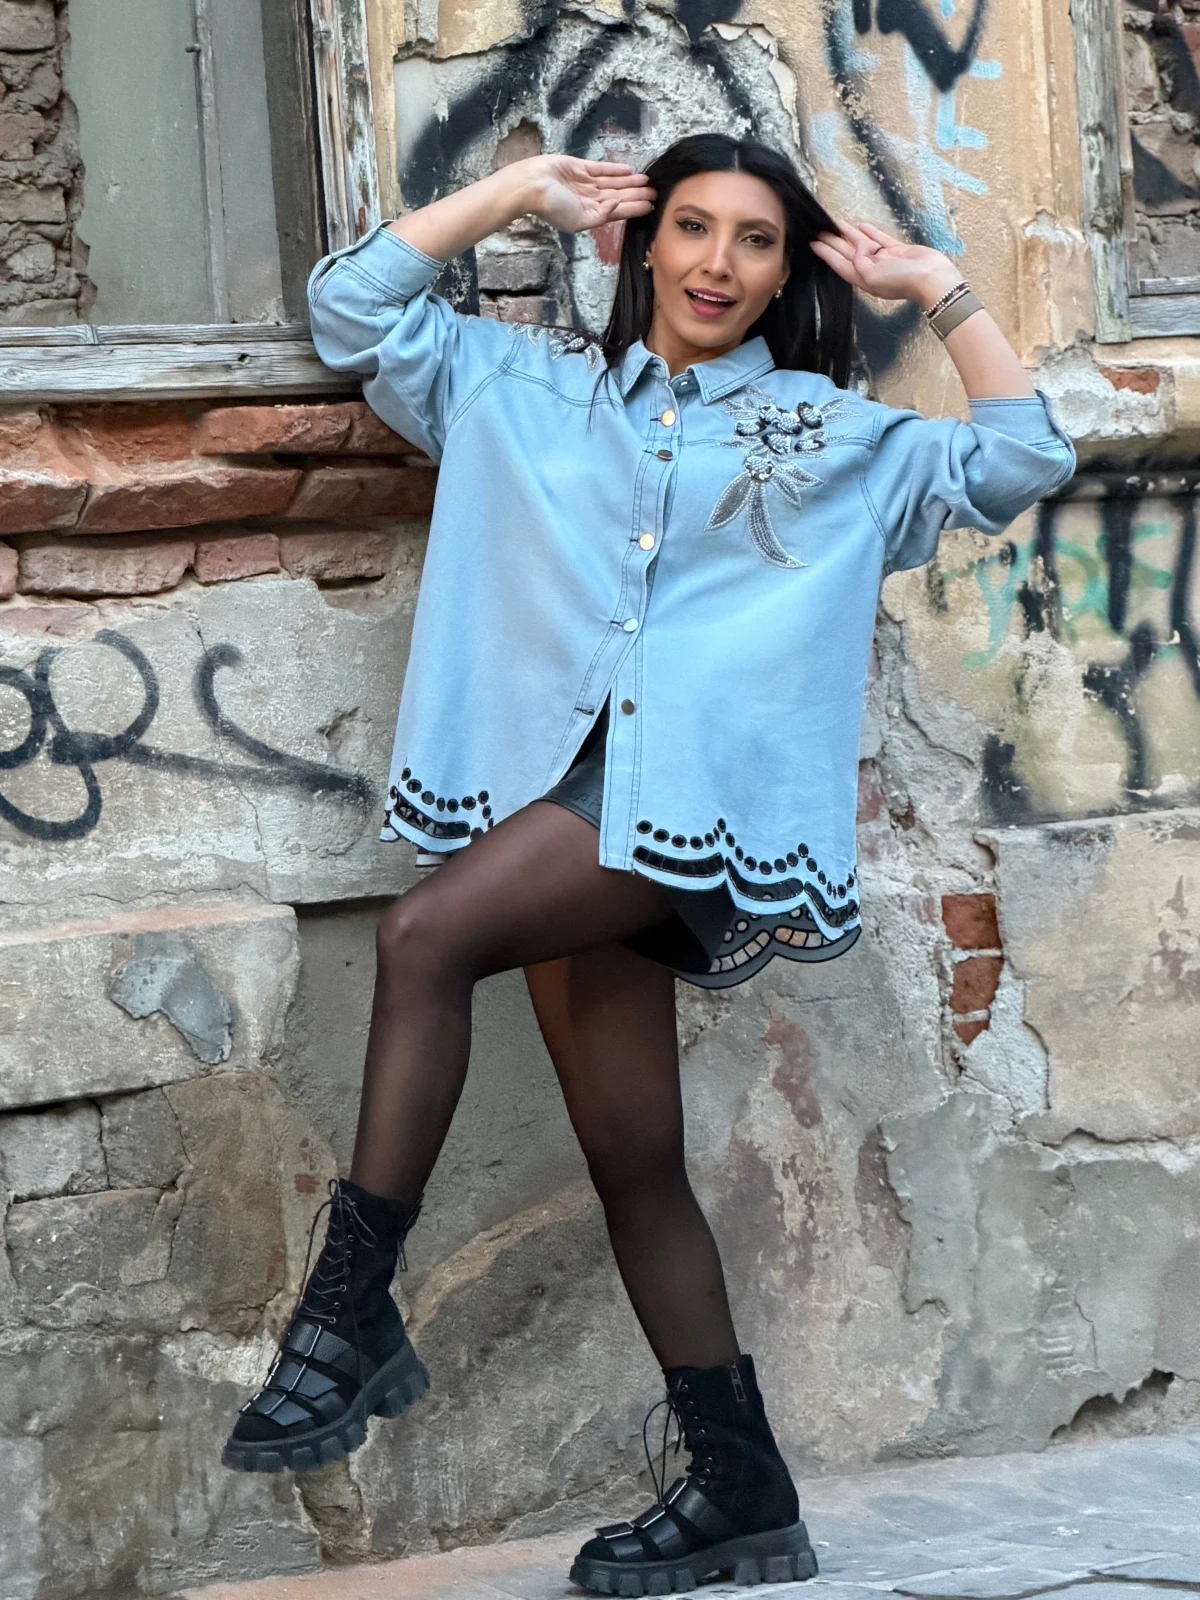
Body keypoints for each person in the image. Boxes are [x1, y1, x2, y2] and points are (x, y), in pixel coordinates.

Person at [220, 133, 1075, 1595]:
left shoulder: (827, 435)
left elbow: (1020, 455)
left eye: (755, 240)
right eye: (692, 227)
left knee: (424, 937)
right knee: (632, 1157)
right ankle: (743, 1490)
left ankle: (350, 1310)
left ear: (784, 273)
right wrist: (514, 195)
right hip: (545, 795)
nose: (718, 264)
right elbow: (352, 310)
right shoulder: (514, 386)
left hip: (682, 808)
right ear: (642, 241)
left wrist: (937, 288)